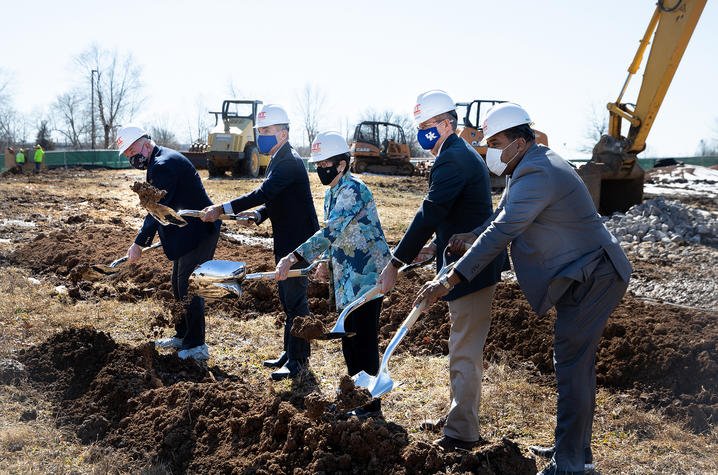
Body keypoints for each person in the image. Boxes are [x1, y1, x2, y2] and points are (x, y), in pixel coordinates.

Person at [415, 103, 632, 475]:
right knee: (574, 368)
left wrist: (452, 277)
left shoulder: (538, 172)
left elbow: (503, 231)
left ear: (519, 140)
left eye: (496, 142)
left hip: (595, 276)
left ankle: (570, 464)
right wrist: (471, 235)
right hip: (582, 275)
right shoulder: (528, 167)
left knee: (571, 366)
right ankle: (576, 452)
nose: (492, 151)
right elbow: (499, 217)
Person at [377, 90, 506, 451]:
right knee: (459, 344)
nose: (422, 132)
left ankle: (462, 434)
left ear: (447, 123)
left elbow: (429, 213)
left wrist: (396, 263)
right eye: (419, 126)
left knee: (464, 349)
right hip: (462, 258)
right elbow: (462, 211)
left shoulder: (453, 158)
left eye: (428, 125)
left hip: (473, 266)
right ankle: (457, 415)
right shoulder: (456, 154)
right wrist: (435, 246)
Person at [275, 131, 391, 415]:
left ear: (341, 164)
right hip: (348, 277)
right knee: (350, 338)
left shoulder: (353, 189)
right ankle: (358, 398)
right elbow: (336, 235)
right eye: (317, 164)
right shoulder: (332, 193)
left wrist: (293, 256)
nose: (320, 170)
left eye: (325, 163)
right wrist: (325, 262)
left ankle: (370, 404)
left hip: (368, 276)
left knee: (362, 339)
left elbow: (330, 230)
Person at [201, 104, 319, 381]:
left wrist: (222, 208)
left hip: (299, 243)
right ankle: (289, 352)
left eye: (267, 130)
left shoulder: (288, 160)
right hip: (288, 240)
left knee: (296, 301)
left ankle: (298, 361)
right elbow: (277, 197)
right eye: (260, 130)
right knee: (287, 300)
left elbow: (264, 191)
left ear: (284, 133)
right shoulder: (279, 158)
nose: (262, 135)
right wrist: (260, 213)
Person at [116, 125, 221, 361]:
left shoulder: (164, 165)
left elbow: (155, 210)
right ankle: (182, 335)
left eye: (132, 150)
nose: (131, 157)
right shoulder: (157, 161)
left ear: (144, 142)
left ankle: (197, 345)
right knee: (177, 283)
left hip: (198, 232)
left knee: (190, 286)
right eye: (127, 155)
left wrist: (139, 243)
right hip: (185, 232)